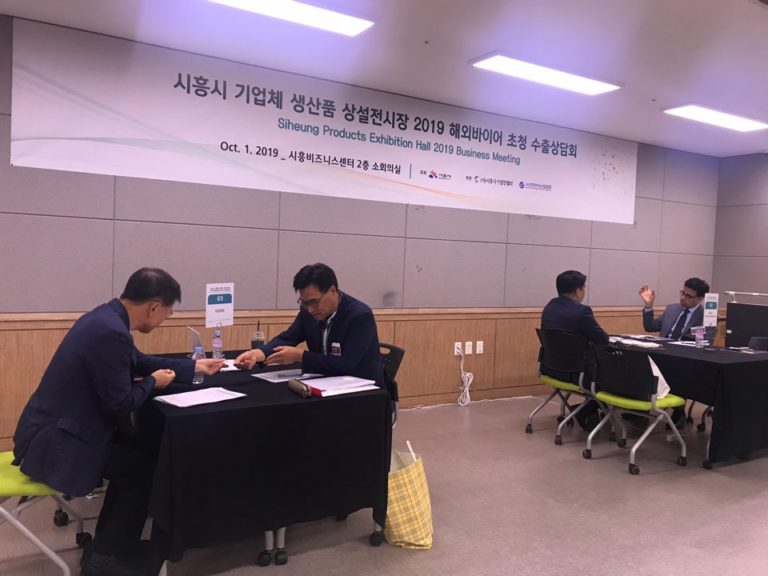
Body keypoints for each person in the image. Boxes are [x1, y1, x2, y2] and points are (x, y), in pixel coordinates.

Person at [12, 268, 225, 576]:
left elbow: (138, 362)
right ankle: (104, 558)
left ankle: (108, 548)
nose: (165, 318)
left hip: (52, 429)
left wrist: (192, 367)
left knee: (137, 465)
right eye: (168, 312)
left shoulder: (105, 317)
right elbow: (119, 404)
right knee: (144, 472)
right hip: (60, 441)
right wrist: (152, 383)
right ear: (154, 307)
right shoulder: (112, 332)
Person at [236, 263, 384, 387]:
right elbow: (289, 337)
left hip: (363, 391)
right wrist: (259, 353)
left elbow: (346, 365)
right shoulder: (308, 312)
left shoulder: (359, 316)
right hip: (324, 383)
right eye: (304, 303)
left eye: (314, 302)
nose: (310, 310)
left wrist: (301, 356)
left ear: (333, 291)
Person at [540, 270, 609, 430]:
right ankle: (588, 411)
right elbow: (603, 340)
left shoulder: (549, 308)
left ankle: (588, 410)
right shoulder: (582, 311)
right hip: (577, 374)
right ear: (578, 291)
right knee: (613, 374)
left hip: (551, 369)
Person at [639, 277, 716, 342]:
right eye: (682, 293)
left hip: (684, 352)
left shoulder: (706, 317)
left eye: (688, 296)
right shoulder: (671, 309)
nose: (683, 298)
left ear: (700, 298)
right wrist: (648, 306)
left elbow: (704, 343)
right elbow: (650, 327)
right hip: (663, 349)